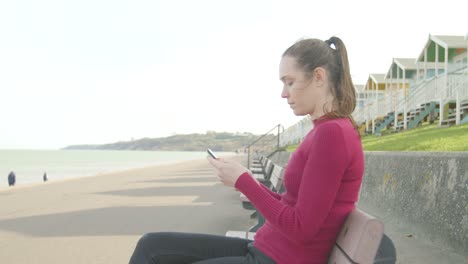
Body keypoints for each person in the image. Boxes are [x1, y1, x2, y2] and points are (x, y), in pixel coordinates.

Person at [128, 36, 364, 264]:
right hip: (269, 248)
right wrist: (248, 180)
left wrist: (243, 182)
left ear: (319, 77)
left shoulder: (332, 134)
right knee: (151, 246)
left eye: (289, 82)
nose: (284, 93)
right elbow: (292, 205)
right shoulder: (326, 131)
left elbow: (301, 228)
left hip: (281, 258)